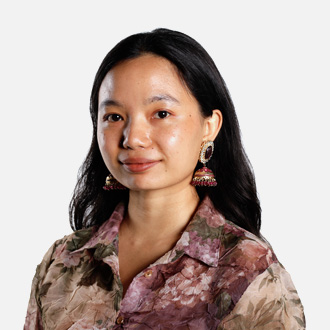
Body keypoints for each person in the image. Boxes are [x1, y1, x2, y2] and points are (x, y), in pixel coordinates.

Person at [24, 28, 305, 330]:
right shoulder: (63, 262)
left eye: (161, 113)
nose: (133, 138)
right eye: (114, 117)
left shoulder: (249, 271)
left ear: (209, 126)